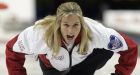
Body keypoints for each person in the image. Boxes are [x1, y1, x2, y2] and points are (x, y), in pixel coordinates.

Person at [6, 2, 138, 75]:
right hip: (52, 69)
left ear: (82, 23)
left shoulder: (96, 31)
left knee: (106, 47)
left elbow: (130, 48)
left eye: (76, 25)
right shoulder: (39, 33)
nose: (71, 30)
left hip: (83, 65)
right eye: (66, 25)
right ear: (58, 24)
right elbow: (12, 49)